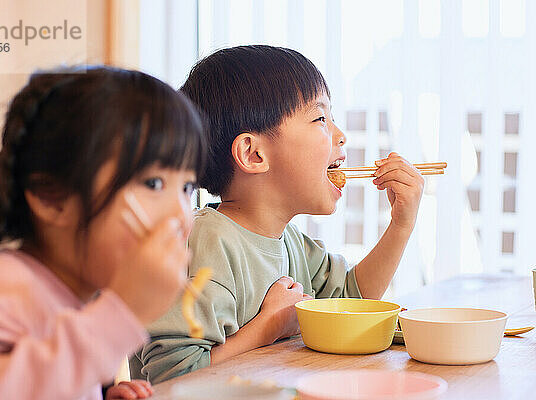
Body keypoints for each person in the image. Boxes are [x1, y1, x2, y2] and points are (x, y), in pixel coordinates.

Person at [135, 45, 424, 383]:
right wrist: (266, 328)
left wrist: (401, 224)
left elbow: (351, 301)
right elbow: (171, 375)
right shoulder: (207, 245)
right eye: (320, 119)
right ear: (254, 154)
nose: (341, 136)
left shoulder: (290, 242)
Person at [0, 66, 206, 399]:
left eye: (187, 187)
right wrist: (119, 315)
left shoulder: (78, 293)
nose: (182, 215)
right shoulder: (1, 285)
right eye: (153, 183)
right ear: (53, 198)